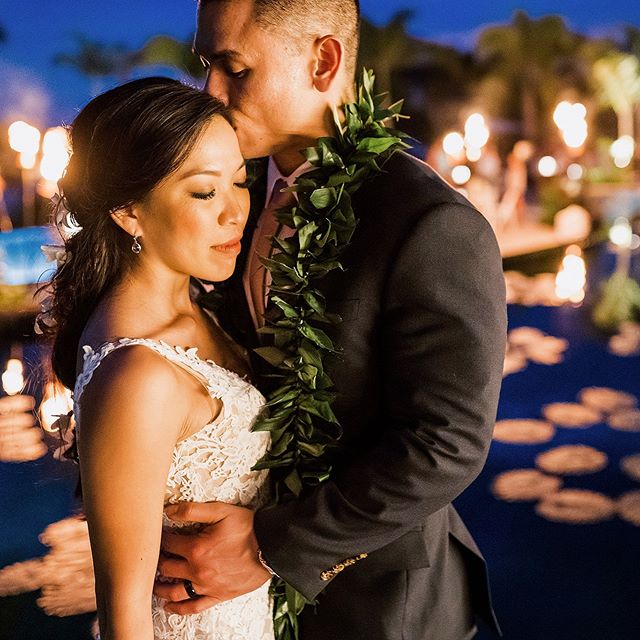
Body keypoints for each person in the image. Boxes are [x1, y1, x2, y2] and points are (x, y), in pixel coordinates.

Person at [153, 1, 507, 639]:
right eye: (206, 65)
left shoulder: (430, 225)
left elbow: (446, 442)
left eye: (235, 68)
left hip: (379, 604)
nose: (210, 92)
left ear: (323, 61)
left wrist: (267, 547)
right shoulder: (229, 190)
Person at [45, 77, 275, 639]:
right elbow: (123, 608)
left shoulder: (202, 305)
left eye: (241, 181)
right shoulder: (137, 375)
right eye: (204, 192)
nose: (235, 212)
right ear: (128, 210)